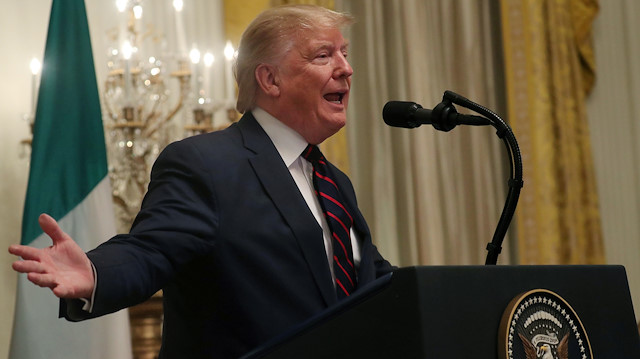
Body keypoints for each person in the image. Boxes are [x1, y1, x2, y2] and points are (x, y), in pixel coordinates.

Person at [9, 4, 394, 358]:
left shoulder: (333, 181)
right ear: (270, 79)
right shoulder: (206, 164)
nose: (346, 68)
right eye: (324, 55)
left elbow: (376, 284)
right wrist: (94, 274)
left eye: (344, 53)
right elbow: (150, 250)